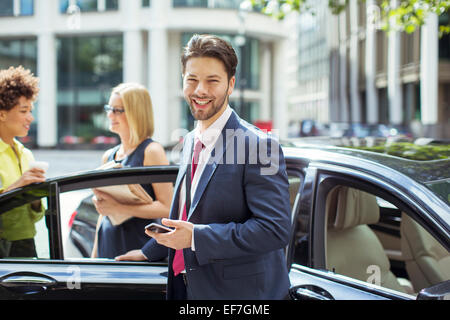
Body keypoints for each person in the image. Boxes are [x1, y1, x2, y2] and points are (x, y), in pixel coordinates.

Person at [117, 34, 291, 300]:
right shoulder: (189, 140)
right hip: (188, 288)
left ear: (230, 84)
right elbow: (189, 214)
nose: (200, 91)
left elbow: (275, 229)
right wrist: (149, 251)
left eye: (212, 81)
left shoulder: (262, 145)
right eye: (192, 80)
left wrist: (196, 238)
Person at [91, 83, 173, 259]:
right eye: (109, 108)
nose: (110, 114)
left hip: (138, 247)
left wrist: (119, 207)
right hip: (108, 244)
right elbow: (105, 212)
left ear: (136, 113)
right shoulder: (109, 156)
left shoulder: (151, 151)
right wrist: (94, 257)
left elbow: (167, 207)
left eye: (117, 110)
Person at [0, 66, 46, 258]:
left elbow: (36, 215)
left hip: (26, 246)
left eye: (30, 110)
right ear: (2, 113)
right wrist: (19, 186)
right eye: (23, 111)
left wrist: (35, 197)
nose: (30, 117)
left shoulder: (26, 154)